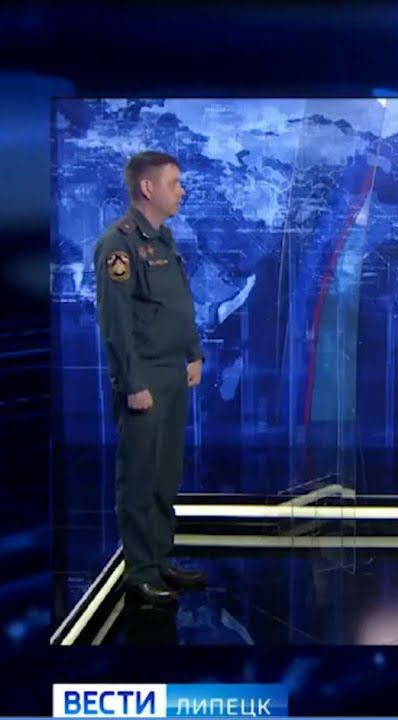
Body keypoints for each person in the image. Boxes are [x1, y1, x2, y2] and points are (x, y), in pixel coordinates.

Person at [93, 151, 206, 605]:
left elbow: (177, 302)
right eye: (174, 183)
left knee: (165, 473)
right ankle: (139, 572)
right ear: (147, 187)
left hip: (173, 371)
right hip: (144, 378)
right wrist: (132, 383)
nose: (182, 191)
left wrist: (193, 353)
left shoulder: (164, 240)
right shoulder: (118, 245)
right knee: (140, 477)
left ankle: (159, 560)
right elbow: (115, 321)